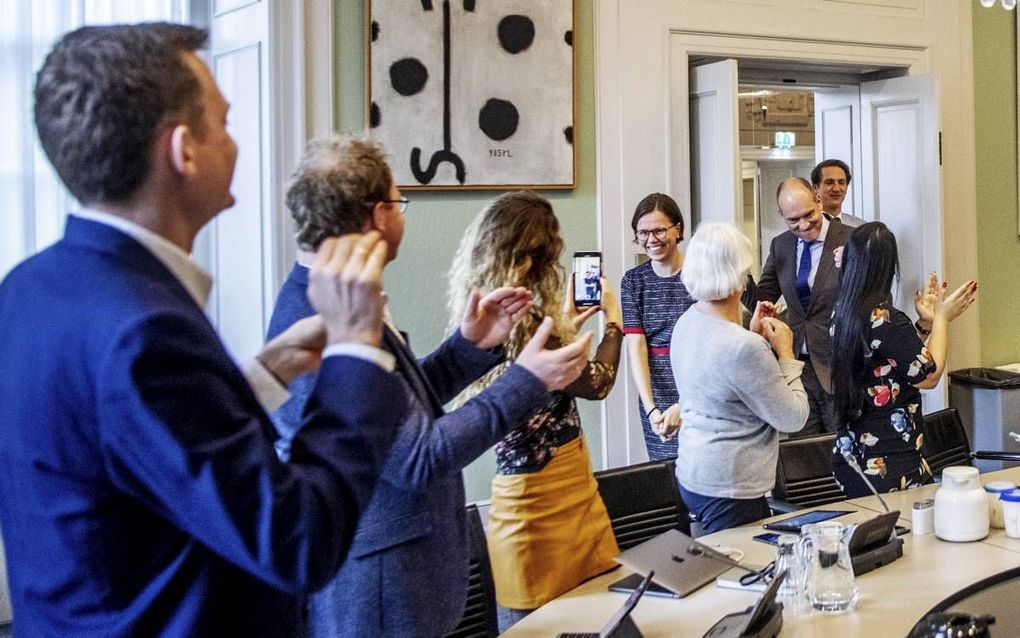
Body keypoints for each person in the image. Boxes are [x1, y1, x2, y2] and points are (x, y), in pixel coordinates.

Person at [0, 23, 408, 636]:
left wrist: (262, 377)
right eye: (225, 122)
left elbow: (137, 459)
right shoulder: (146, 330)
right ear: (185, 150)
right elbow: (298, 541)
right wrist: (353, 348)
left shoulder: (30, 288)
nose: (236, 144)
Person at [267, 140, 591, 638]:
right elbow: (416, 457)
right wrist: (527, 381)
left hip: (404, 579)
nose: (402, 216)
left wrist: (467, 347)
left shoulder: (341, 292)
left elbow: (392, 409)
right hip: (379, 593)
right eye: (400, 203)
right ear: (379, 215)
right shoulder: (317, 315)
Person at [447, 191, 622, 631]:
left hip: (553, 497)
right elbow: (597, 382)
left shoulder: (487, 321)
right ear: (535, 260)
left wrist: (564, 325)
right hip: (541, 509)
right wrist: (615, 320)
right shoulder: (528, 329)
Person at [671, 223, 809, 533]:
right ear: (739, 278)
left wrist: (752, 336)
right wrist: (785, 354)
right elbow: (793, 418)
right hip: (731, 486)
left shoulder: (687, 322)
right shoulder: (744, 347)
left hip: (693, 472)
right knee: (740, 575)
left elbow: (723, 378)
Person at [830, 222, 977, 497]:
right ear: (887, 268)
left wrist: (923, 325)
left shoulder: (842, 315)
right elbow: (928, 376)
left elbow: (892, 363)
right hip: (889, 457)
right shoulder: (884, 318)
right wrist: (943, 318)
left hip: (854, 454)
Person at [743, 177, 852, 436]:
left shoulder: (850, 239)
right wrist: (737, 270)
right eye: (794, 221)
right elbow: (762, 298)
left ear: (817, 198)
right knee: (804, 459)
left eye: (809, 216)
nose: (804, 226)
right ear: (781, 215)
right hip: (796, 368)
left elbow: (869, 298)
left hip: (840, 367)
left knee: (844, 451)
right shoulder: (781, 245)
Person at [620, 193, 696, 460]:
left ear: (678, 229)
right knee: (666, 471)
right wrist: (651, 407)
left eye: (659, 231)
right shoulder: (633, 281)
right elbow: (636, 344)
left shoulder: (699, 273)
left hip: (700, 386)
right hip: (658, 389)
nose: (651, 240)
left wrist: (685, 402)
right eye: (643, 233)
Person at [811, 159, 865, 227]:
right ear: (815, 188)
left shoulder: (860, 227)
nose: (836, 189)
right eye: (829, 182)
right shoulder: (805, 227)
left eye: (841, 182)